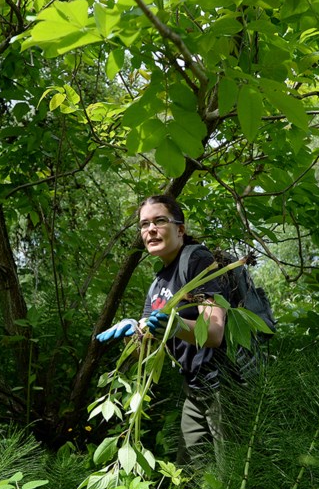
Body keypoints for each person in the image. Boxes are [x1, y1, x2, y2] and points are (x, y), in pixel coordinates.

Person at [97, 194, 228, 467]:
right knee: (190, 475)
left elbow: (214, 333)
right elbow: (142, 353)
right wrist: (132, 332)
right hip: (194, 387)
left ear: (180, 229)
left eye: (159, 221)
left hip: (223, 387)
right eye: (144, 225)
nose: (150, 230)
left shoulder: (197, 260)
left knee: (232, 473)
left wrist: (174, 325)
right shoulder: (158, 284)